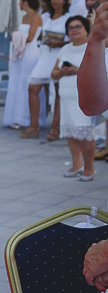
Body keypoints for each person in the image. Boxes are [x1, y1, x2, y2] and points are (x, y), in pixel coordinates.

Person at [24, 0, 71, 140]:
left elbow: (75, 39)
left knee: (59, 92)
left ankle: (55, 129)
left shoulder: (69, 18)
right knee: (32, 87)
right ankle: (33, 126)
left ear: (64, 0)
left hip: (59, 55)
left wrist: (60, 42)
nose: (55, 1)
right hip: (44, 55)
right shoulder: (45, 17)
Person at [52, 15, 95, 181]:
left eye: (78, 26)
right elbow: (53, 73)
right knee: (70, 132)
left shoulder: (91, 48)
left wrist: (78, 70)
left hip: (82, 99)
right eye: (71, 28)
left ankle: (90, 168)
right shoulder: (65, 49)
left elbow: (97, 72)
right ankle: (76, 164)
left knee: (84, 134)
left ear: (86, 29)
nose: (74, 30)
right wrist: (62, 71)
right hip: (65, 98)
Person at [3, 0, 42, 129]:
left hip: (30, 51)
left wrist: (15, 34)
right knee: (17, 81)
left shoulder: (36, 16)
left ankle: (25, 118)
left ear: (25, 2)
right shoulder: (24, 17)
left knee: (26, 82)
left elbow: (31, 37)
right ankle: (15, 116)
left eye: (20, 1)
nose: (19, 4)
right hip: (19, 52)